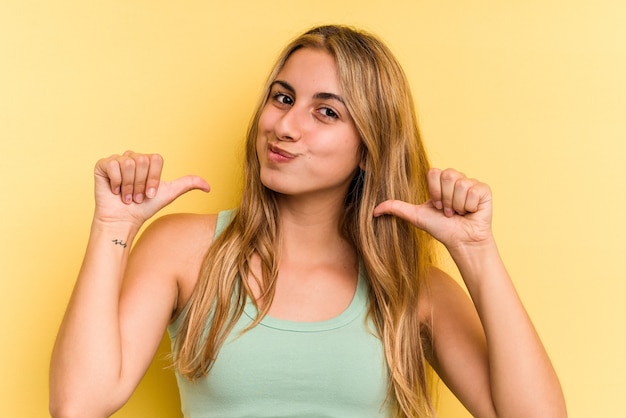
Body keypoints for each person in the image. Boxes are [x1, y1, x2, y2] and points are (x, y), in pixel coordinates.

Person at [49, 25, 566, 418]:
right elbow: (79, 405)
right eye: (283, 98)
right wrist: (112, 225)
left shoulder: (412, 289)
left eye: (327, 112)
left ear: (369, 150)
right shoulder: (184, 250)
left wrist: (476, 252)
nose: (286, 126)